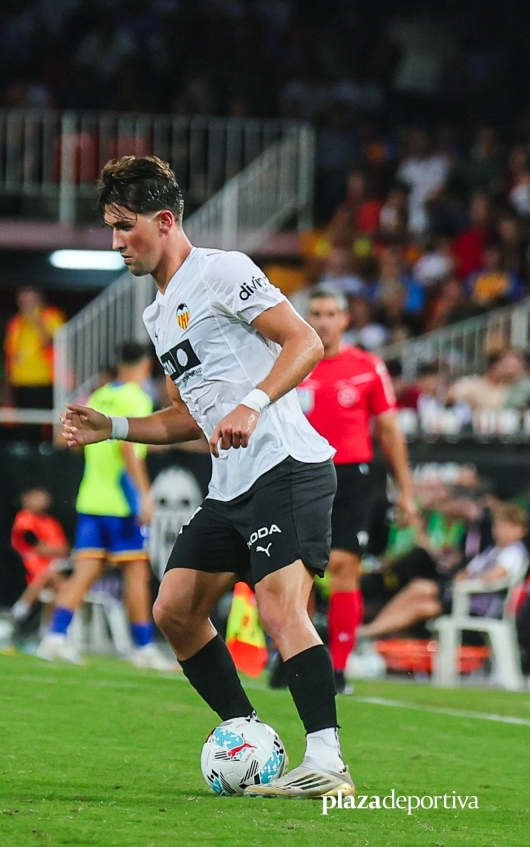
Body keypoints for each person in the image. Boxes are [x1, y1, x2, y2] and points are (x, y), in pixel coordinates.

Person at [62, 156, 350, 798]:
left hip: (288, 467)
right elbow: (190, 417)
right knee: (175, 611)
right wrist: (111, 427)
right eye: (110, 228)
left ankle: (328, 761)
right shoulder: (159, 314)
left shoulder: (222, 271)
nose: (115, 243)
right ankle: (247, 736)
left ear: (164, 221)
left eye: (123, 226)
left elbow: (305, 342)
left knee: (279, 607)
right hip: (231, 486)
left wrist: (254, 402)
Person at [294, 289, 417, 694]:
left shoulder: (367, 366)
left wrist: (407, 492)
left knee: (345, 567)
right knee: (298, 571)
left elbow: (389, 431)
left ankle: (339, 667)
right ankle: (297, 658)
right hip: (300, 472)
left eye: (332, 313)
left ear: (346, 320)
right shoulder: (292, 361)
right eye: (317, 313)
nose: (325, 320)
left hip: (351, 475)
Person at [40, 340, 169, 669]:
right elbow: (128, 448)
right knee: (136, 573)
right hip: (121, 502)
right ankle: (142, 648)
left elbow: (69, 440)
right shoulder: (135, 396)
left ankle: (54, 638)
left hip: (91, 498)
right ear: (146, 367)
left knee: (84, 572)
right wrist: (143, 494)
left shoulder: (99, 395)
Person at [359, 503, 528, 639]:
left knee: (424, 607)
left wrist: (466, 582)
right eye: (498, 527)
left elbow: (493, 577)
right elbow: (466, 572)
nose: (500, 532)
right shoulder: (493, 550)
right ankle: (371, 630)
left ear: (521, 530)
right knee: (420, 586)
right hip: (460, 597)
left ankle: (368, 634)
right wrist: (462, 580)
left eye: (507, 527)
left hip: (478, 607)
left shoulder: (514, 552)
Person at [9, 487, 70, 631]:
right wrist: (53, 550)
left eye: (44, 497)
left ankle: (41, 625)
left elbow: (64, 549)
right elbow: (36, 546)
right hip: (30, 569)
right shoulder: (24, 519)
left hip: (54, 568)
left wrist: (52, 550)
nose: (43, 501)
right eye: (38, 497)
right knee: (51, 576)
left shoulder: (52, 522)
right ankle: (21, 612)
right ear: (26, 499)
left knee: (60, 587)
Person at [5, 287, 66, 410]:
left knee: (44, 420)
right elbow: (10, 352)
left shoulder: (52, 316)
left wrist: (36, 320)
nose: (26, 303)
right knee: (25, 422)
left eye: (30, 299)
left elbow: (51, 342)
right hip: (20, 380)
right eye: (23, 299)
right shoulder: (16, 321)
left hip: (44, 379)